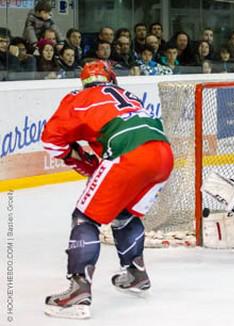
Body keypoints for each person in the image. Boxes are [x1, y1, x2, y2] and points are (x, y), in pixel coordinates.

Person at [41, 60, 174, 319]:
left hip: (129, 154)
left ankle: (78, 290)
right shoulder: (127, 94)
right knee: (125, 214)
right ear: (111, 78)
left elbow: (51, 141)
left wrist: (75, 157)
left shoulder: (77, 97)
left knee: (85, 218)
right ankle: (136, 274)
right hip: (163, 154)